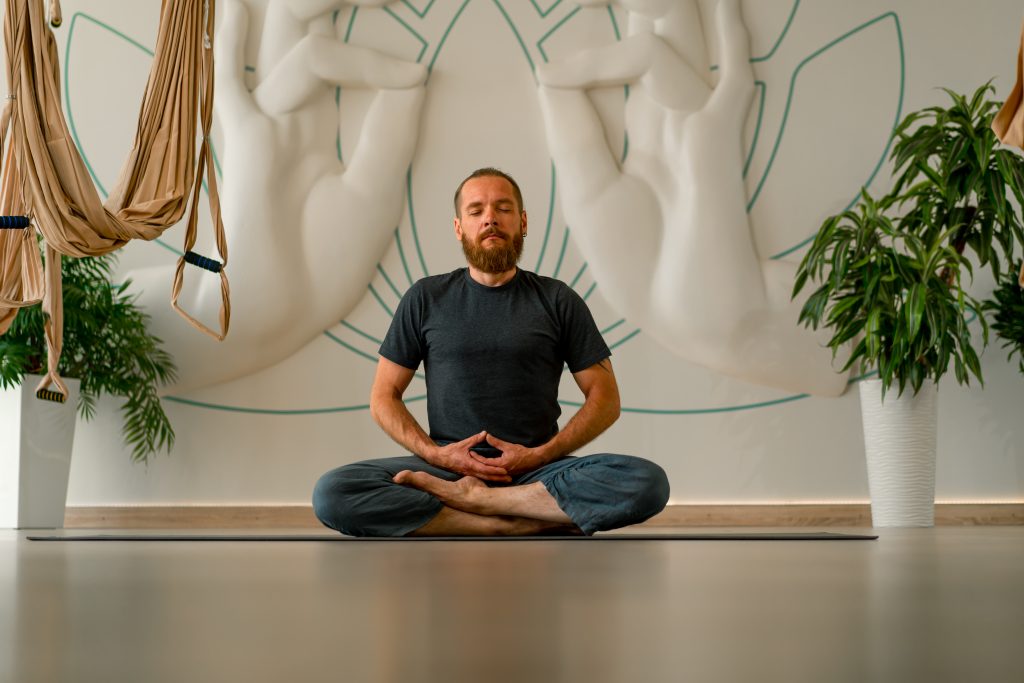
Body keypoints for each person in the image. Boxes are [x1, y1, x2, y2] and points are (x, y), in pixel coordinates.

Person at [313, 168, 669, 536]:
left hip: (536, 470)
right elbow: (383, 397)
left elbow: (605, 398)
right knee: (334, 492)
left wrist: (539, 455)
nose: (490, 219)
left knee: (647, 482)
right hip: (449, 470)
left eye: (503, 208)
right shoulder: (425, 298)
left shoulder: (558, 299)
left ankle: (483, 504)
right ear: (458, 228)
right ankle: (510, 522)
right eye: (476, 210)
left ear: (522, 221)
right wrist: (437, 456)